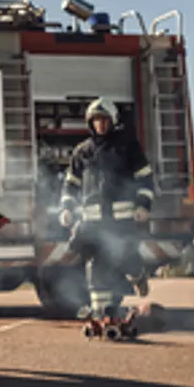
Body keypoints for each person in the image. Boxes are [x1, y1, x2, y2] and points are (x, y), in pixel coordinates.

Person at [57, 97, 155, 322]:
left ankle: (138, 275)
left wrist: (143, 205)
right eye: (96, 120)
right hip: (92, 221)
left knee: (125, 257)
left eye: (104, 120)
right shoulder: (82, 151)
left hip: (121, 219)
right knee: (96, 264)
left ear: (113, 121)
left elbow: (145, 178)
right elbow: (70, 184)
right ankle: (101, 312)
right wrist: (67, 208)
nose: (100, 124)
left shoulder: (127, 146)